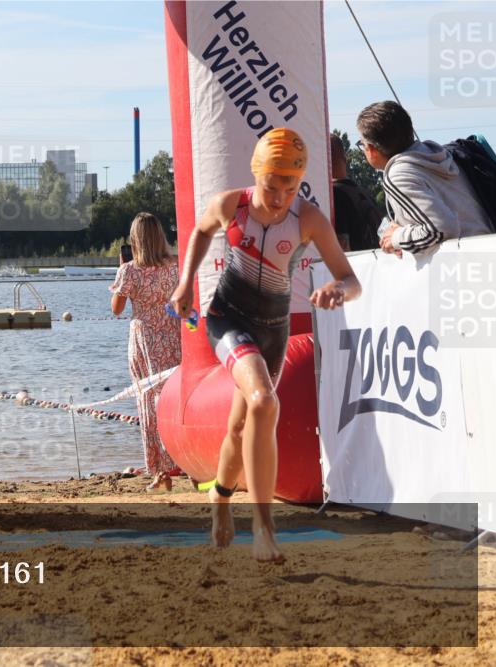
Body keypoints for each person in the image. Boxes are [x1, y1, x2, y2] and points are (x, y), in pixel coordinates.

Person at [169, 128, 361, 562]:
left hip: (272, 330)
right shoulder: (230, 206)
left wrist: (337, 290)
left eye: (290, 188)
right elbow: (199, 232)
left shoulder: (308, 218)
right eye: (272, 187)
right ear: (257, 176)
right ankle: (263, 527)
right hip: (228, 318)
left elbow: (352, 280)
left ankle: (219, 498)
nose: (279, 199)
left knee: (242, 427)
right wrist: (185, 286)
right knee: (264, 401)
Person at [356, 101, 491, 256]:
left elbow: (442, 228)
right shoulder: (438, 155)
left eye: (362, 144)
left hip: (464, 265)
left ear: (372, 149)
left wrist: (395, 238)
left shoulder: (399, 175)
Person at [109, 212, 182, 492]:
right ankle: (183, 458)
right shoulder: (175, 265)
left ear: (135, 239)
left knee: (149, 401)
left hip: (145, 339)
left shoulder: (129, 270)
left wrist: (121, 272)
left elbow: (116, 309)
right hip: (173, 334)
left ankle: (160, 470)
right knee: (173, 398)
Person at [330, 134, 381, 251]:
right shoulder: (364, 194)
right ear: (345, 157)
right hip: (374, 264)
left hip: (354, 267)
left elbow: (342, 246)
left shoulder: (334, 195)